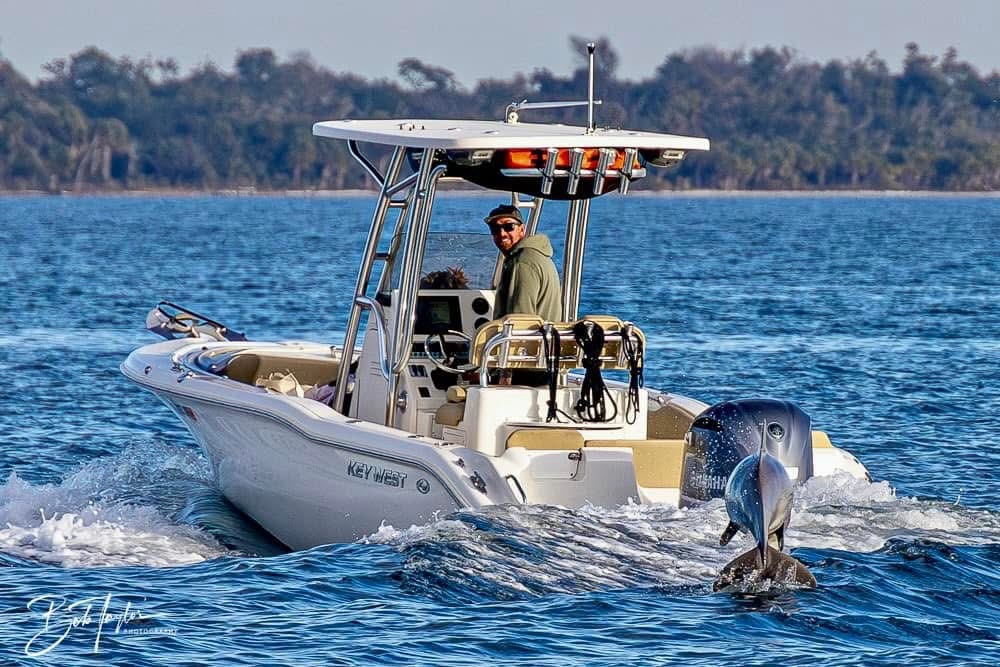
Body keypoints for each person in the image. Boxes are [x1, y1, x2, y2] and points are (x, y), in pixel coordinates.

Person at [485, 204, 561, 322]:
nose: (502, 233)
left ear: (522, 230)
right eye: (495, 228)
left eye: (509, 226)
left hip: (530, 340)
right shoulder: (538, 255)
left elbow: (520, 324)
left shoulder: (521, 263)